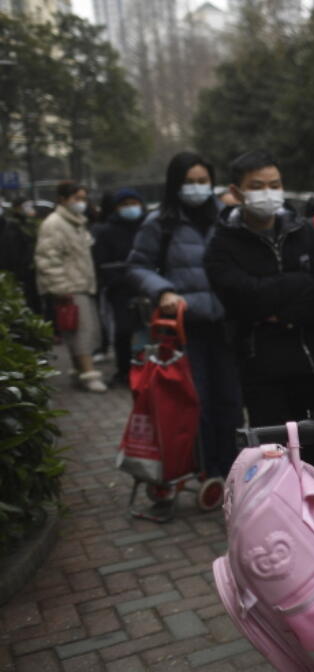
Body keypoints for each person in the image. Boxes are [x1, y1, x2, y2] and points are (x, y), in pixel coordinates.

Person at [128, 152, 245, 480]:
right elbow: (136, 266)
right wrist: (162, 290)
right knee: (198, 403)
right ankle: (206, 470)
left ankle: (233, 468)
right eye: (189, 182)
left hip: (226, 325)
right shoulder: (159, 223)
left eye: (202, 181)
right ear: (175, 185)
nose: (196, 188)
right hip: (185, 329)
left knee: (231, 402)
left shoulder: (229, 217)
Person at [205, 149, 314, 430]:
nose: (268, 193)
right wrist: (299, 281)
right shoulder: (221, 245)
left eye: (274, 185)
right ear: (236, 191)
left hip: (312, 362)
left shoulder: (304, 231)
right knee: (274, 454)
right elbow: (243, 299)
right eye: (257, 186)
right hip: (260, 367)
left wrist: (285, 312)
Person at [35, 181, 107, 392]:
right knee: (81, 333)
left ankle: (81, 371)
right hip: (70, 287)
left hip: (81, 284)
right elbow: (47, 259)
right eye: (76, 198)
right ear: (62, 199)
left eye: (83, 198)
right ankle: (88, 374)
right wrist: (61, 288)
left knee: (81, 331)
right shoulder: (55, 224)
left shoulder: (75, 222)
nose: (81, 203)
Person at [92, 187, 145, 386]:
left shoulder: (149, 227)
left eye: (134, 203)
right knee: (123, 331)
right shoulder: (106, 231)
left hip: (147, 289)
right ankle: (124, 370)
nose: (130, 208)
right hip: (120, 291)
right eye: (124, 204)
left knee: (147, 331)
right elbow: (103, 264)